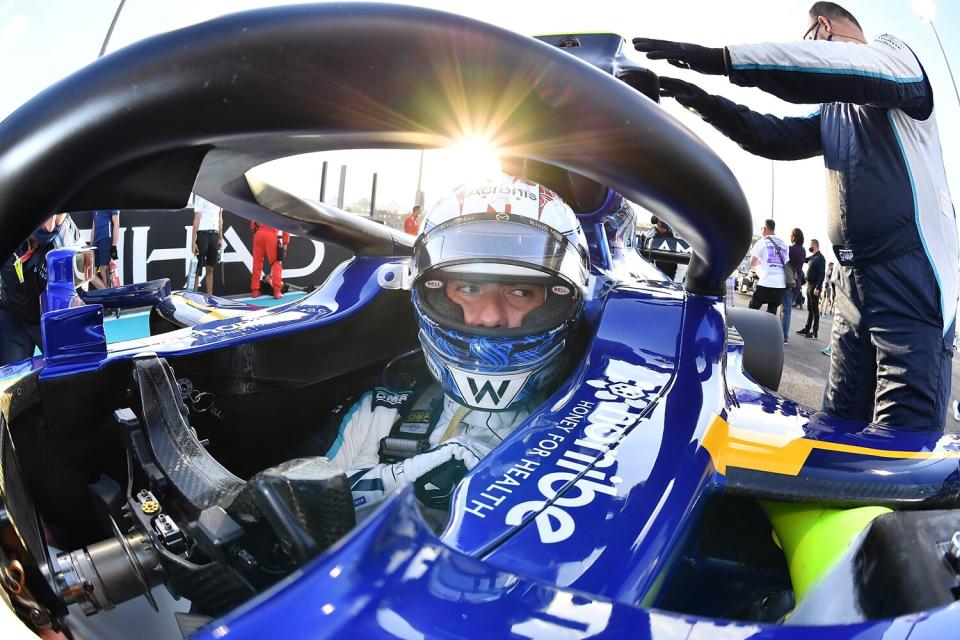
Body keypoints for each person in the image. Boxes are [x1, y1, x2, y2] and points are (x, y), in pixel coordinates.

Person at [633, 2, 957, 430]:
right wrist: (701, 100)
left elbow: (823, 67)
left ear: (823, 27)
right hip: (852, 284)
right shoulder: (835, 112)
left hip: (909, 280)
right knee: (836, 425)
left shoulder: (895, 57)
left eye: (810, 40)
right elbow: (773, 135)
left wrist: (718, 59)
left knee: (903, 440)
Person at [321, 174, 588, 517]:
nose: (490, 317)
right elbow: (298, 511)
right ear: (433, 292)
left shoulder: (590, 430)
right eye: (470, 289)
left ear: (557, 300)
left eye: (521, 292)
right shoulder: (378, 413)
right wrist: (399, 478)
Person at [0, 214, 66, 366]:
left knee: (71, 375)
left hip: (52, 320)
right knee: (9, 380)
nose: (49, 227)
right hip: (13, 318)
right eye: (46, 215)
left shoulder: (66, 240)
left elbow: (77, 294)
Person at [747, 219, 787, 315]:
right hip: (780, 284)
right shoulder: (784, 243)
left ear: (765, 228)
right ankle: (768, 329)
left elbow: (752, 262)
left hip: (766, 282)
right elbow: (785, 262)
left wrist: (760, 262)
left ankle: (749, 329)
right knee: (771, 313)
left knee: (751, 309)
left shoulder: (762, 242)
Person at [190, 194, 223, 295]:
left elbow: (220, 218)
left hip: (215, 235)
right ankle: (193, 296)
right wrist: (193, 241)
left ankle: (210, 297)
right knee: (197, 268)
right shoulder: (201, 196)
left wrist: (221, 237)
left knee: (210, 268)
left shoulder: (219, 198)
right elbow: (197, 218)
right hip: (203, 235)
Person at [250, 221, 290, 298]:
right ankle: (277, 292)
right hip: (271, 235)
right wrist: (285, 246)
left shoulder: (263, 209)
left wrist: (256, 230)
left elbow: (253, 224)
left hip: (258, 235)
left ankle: (255, 291)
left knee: (257, 264)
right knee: (276, 263)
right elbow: (286, 229)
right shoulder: (281, 210)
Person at [798, 239, 826, 339]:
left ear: (814, 245)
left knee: (815, 309)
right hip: (809, 285)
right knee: (810, 309)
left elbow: (822, 274)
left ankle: (815, 332)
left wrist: (818, 287)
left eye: (810, 245)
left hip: (815, 286)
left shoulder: (820, 258)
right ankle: (807, 329)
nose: (809, 247)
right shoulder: (813, 257)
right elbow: (804, 259)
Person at [781, 228, 805, 344]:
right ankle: (783, 335)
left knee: (786, 311)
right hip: (797, 284)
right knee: (787, 310)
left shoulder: (789, 249)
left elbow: (783, 261)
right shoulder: (803, 250)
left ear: (793, 237)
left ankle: (783, 337)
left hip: (789, 283)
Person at [90, 209, 119, 289]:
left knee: (104, 269)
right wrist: (91, 246)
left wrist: (114, 246)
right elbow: (94, 226)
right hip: (95, 242)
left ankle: (108, 296)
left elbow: (116, 223)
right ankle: (106, 294)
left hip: (106, 238)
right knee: (91, 274)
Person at [643, 215, 679, 280]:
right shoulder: (649, 236)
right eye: (662, 218)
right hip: (655, 276)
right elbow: (647, 261)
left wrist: (677, 281)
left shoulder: (676, 236)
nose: (666, 220)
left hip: (673, 276)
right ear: (656, 220)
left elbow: (682, 263)